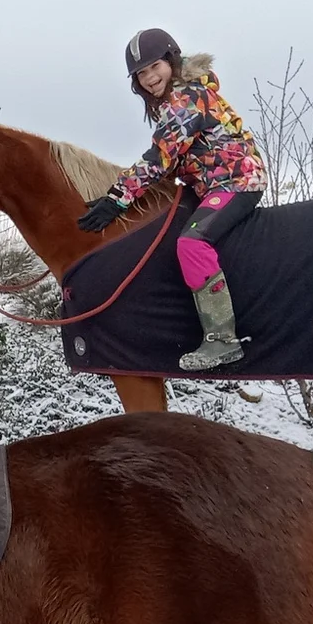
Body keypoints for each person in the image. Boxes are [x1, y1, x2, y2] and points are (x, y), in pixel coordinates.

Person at [76, 29, 268, 371]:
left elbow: (159, 157)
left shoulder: (187, 98)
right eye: (141, 74)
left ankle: (222, 339)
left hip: (237, 181)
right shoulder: (174, 101)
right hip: (209, 185)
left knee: (192, 243)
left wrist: (117, 199)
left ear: (171, 60)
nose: (150, 78)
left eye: (154, 67)